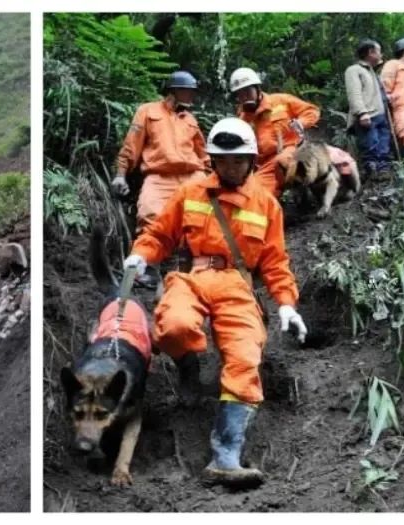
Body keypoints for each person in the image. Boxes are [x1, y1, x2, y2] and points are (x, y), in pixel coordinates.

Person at [122, 117, 308, 489]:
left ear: (251, 161)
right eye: (223, 160)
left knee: (244, 356)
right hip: (192, 276)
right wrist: (141, 254)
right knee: (173, 326)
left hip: (237, 286)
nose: (231, 167)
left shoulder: (266, 205)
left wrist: (286, 304)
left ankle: (225, 457)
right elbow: (160, 234)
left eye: (238, 160)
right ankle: (188, 367)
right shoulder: (191, 192)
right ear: (213, 161)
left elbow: (275, 263)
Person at [112, 70, 211, 286]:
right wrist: (121, 175)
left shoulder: (190, 120)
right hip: (159, 174)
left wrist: (216, 177)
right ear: (174, 91)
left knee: (200, 219)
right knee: (150, 214)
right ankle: (147, 268)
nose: (192, 96)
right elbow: (132, 144)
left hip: (192, 174)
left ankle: (196, 268)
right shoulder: (148, 111)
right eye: (188, 91)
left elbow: (202, 153)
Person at [231, 67, 320, 197]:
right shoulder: (242, 118)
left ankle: (297, 190)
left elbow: (311, 110)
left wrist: (301, 122)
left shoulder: (281, 100)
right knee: (253, 193)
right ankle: (276, 201)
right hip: (264, 163)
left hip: (291, 149)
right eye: (240, 94)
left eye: (247, 91)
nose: (244, 97)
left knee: (282, 160)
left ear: (257, 89)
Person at [345, 40, 394, 177]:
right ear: (370, 52)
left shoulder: (372, 72)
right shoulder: (354, 70)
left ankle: (383, 171)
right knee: (370, 145)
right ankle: (372, 174)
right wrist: (362, 113)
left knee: (383, 145)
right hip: (368, 115)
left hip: (381, 115)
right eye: (378, 51)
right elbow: (354, 93)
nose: (381, 54)